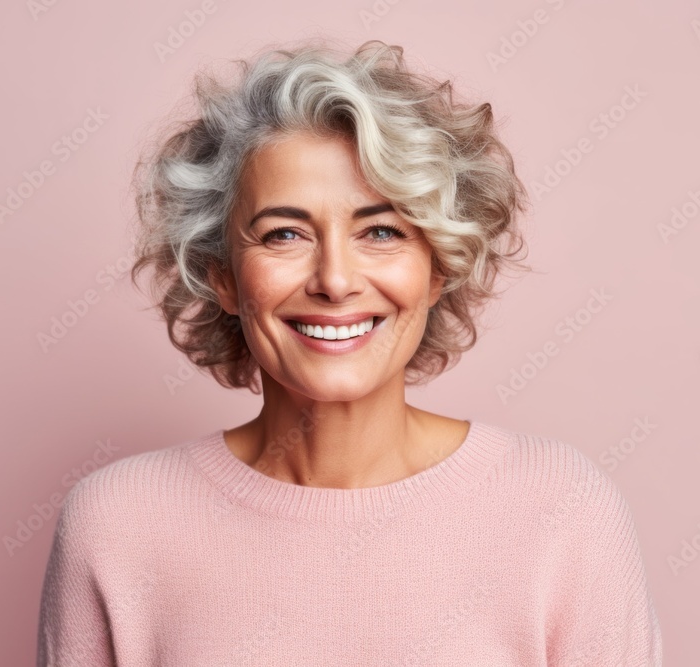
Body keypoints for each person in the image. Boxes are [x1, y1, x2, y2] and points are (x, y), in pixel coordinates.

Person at [36, 38, 663, 666]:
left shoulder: (561, 511)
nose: (335, 280)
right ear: (221, 275)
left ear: (438, 267)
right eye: (284, 233)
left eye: (382, 232)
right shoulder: (117, 525)